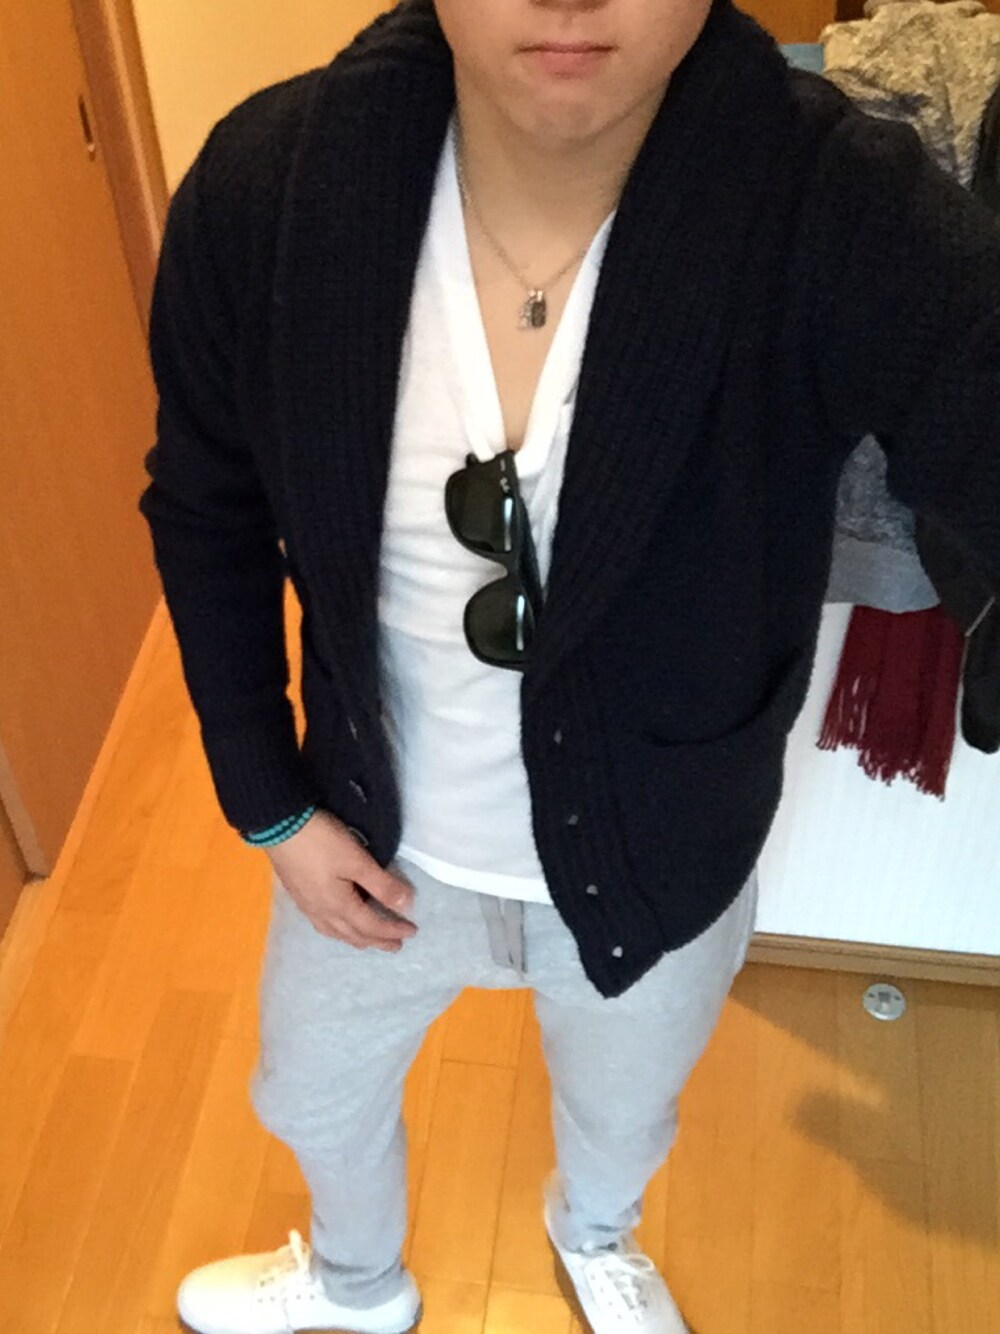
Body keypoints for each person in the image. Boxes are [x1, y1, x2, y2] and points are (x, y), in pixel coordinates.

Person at [138, 0, 1000, 1330]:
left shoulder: (834, 206)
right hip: (367, 844)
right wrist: (268, 801)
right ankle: (358, 1284)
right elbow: (205, 505)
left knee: (625, 1114)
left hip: (663, 860)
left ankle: (593, 1235)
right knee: (308, 1093)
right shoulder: (271, 190)